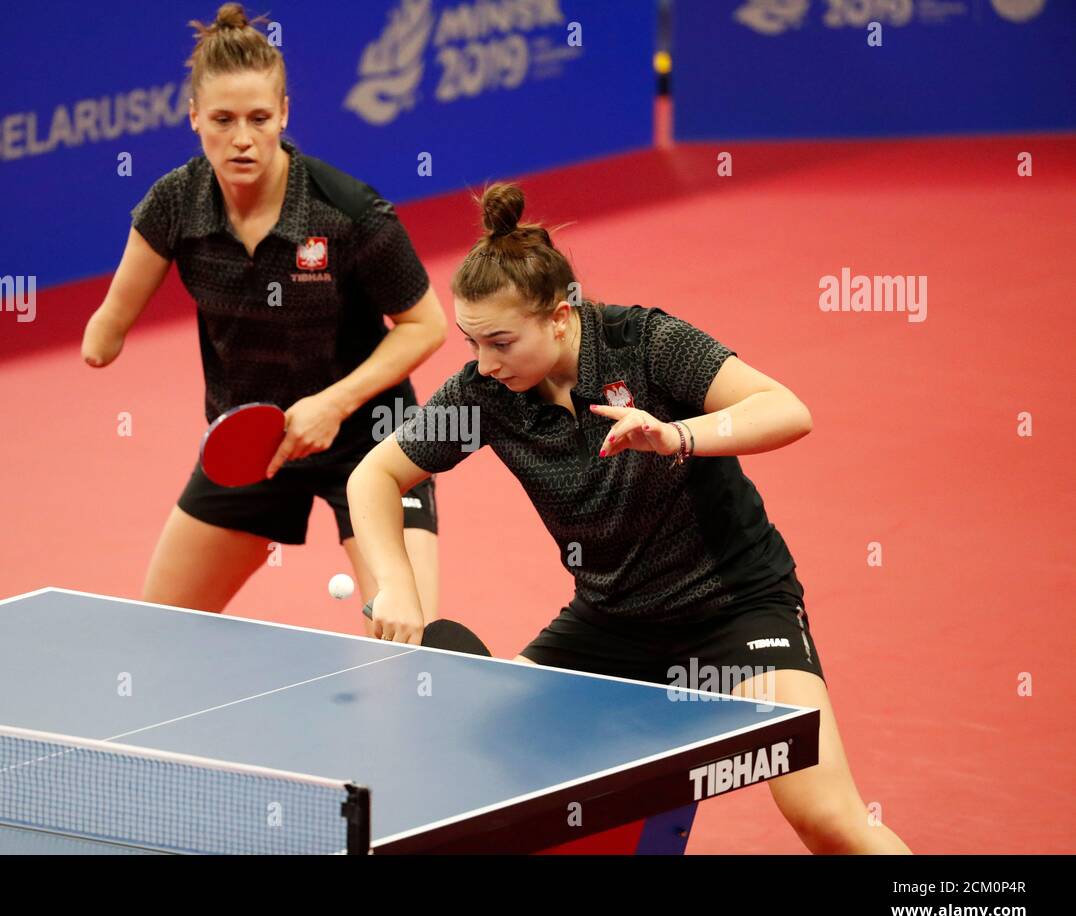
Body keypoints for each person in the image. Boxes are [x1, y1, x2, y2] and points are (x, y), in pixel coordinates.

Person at [347, 181, 912, 854]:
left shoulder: (643, 344)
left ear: (559, 317)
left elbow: (786, 408)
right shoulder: (486, 394)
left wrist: (681, 435)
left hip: (735, 608)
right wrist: (397, 585)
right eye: (472, 342)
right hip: (612, 623)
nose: (484, 363)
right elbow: (374, 474)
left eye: (500, 341)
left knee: (825, 816)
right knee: (493, 788)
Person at [81, 4, 446, 620]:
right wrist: (105, 335)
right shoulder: (175, 204)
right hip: (249, 440)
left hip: (370, 441)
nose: (242, 138)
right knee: (160, 630)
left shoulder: (347, 212)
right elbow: (104, 335)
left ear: (284, 113)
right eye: (222, 120)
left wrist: (333, 403)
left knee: (412, 642)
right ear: (195, 117)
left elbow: (427, 325)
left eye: (258, 118)